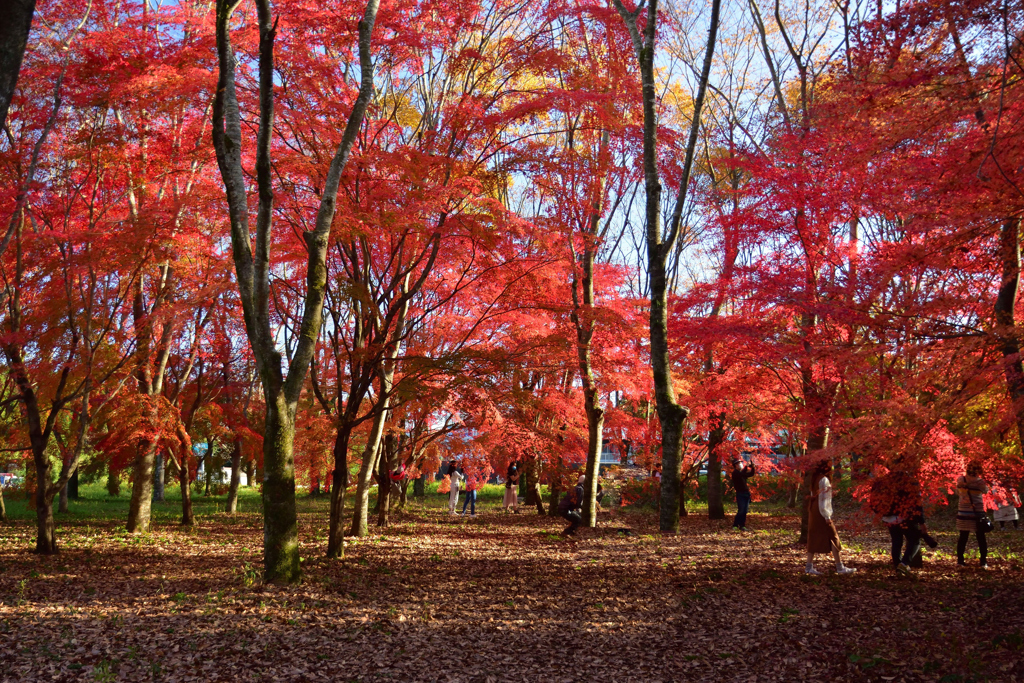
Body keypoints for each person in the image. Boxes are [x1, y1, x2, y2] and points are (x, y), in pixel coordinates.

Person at [805, 460, 856, 575]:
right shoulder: (824, 480)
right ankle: (839, 567)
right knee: (834, 537)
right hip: (820, 511)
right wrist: (827, 515)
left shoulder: (815, 478)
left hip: (814, 510)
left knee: (813, 536)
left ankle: (809, 567)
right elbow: (824, 500)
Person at [880, 470, 935, 576]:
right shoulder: (911, 481)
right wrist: (922, 522)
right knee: (915, 540)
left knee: (896, 542)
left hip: (889, 518)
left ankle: (898, 567)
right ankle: (904, 564)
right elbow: (917, 503)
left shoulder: (885, 480)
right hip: (905, 517)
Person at [956, 462, 989, 568]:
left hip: (963, 511)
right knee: (981, 537)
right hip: (977, 512)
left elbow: (957, 491)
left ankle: (960, 561)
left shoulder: (961, 479)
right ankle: (983, 561)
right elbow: (986, 491)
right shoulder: (980, 482)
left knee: (963, 537)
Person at [731, 458, 756, 531]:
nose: (740, 464)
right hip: (740, 494)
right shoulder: (735, 473)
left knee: (745, 511)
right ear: (735, 465)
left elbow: (750, 474)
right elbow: (742, 474)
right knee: (741, 510)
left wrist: (752, 467)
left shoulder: (741, 473)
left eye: (740, 463)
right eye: (738, 464)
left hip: (746, 494)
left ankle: (742, 525)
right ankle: (735, 525)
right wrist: (746, 466)